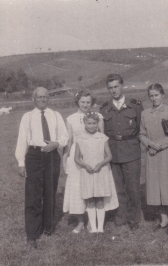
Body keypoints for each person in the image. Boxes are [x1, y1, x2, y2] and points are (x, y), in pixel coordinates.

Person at [15, 87, 68, 248]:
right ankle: (32, 233)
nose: (43, 100)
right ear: (33, 99)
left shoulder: (56, 115)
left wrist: (56, 143)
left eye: (46, 97)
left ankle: (48, 228)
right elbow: (22, 139)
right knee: (33, 195)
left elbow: (65, 135)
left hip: (52, 156)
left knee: (50, 193)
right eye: (40, 97)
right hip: (34, 156)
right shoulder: (27, 117)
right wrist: (21, 162)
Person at [139, 83, 168, 234]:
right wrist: (150, 145)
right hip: (152, 155)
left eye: (156, 95)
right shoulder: (145, 113)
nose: (154, 98)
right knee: (156, 187)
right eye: (151, 96)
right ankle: (163, 219)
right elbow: (141, 134)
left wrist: (158, 146)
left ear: (162, 95)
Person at [100, 74, 143, 230]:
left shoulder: (135, 106)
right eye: (110, 88)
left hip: (131, 151)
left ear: (122, 86)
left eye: (116, 86)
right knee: (117, 188)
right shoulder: (105, 108)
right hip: (113, 152)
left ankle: (134, 218)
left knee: (132, 187)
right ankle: (121, 215)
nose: (113, 90)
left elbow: (140, 129)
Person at [63, 89, 104, 233]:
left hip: (94, 155)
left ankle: (93, 221)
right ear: (77, 102)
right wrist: (65, 158)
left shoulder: (98, 116)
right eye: (82, 102)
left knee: (92, 187)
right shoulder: (71, 118)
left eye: (88, 102)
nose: (85, 105)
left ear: (92, 103)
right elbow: (69, 141)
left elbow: (102, 138)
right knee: (77, 189)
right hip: (77, 156)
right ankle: (80, 221)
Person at [74, 112, 119, 233]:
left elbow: (109, 156)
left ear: (98, 124)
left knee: (99, 199)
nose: (92, 126)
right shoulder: (79, 138)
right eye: (89, 123)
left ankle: (100, 228)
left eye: (94, 123)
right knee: (90, 199)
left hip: (101, 171)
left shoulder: (102, 137)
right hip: (87, 172)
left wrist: (100, 164)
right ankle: (93, 228)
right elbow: (76, 158)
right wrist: (85, 165)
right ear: (84, 123)